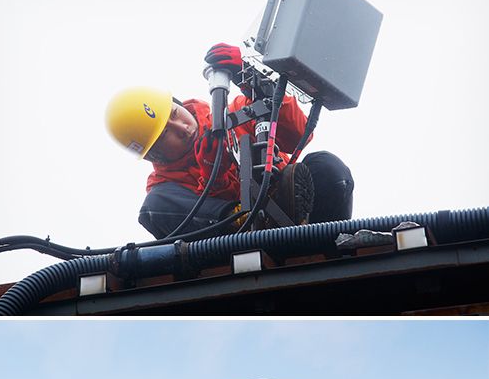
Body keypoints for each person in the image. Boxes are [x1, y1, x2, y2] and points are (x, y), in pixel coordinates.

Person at [105, 43, 354, 239]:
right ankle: (247, 223)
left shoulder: (235, 117)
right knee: (155, 207)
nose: (180, 127)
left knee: (327, 167)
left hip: (292, 211)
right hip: (235, 243)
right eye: (164, 134)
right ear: (153, 155)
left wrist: (252, 81)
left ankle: (332, 243)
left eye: (173, 114)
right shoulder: (166, 188)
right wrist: (214, 172)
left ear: (179, 104)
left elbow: (300, 135)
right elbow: (177, 213)